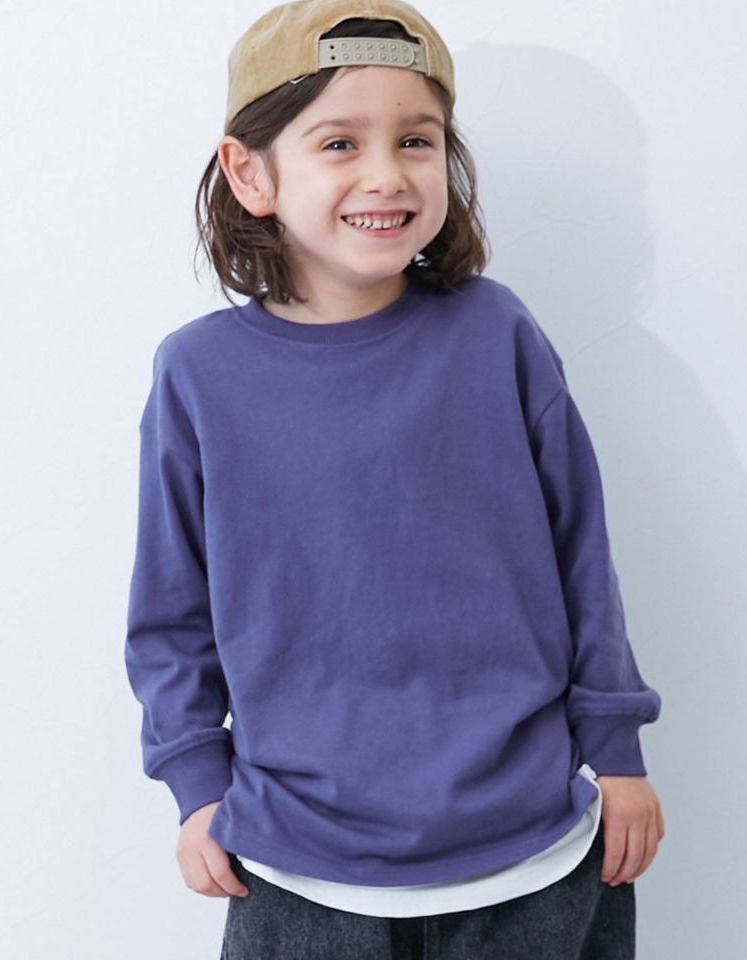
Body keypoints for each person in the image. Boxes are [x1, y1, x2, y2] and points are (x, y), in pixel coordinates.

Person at [123, 0, 666, 956]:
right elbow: (171, 608)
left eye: (417, 139)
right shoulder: (199, 374)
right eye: (340, 142)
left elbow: (582, 554)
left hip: (534, 855)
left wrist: (616, 748)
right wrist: (196, 784)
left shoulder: (497, 334)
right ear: (250, 172)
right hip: (295, 865)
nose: (387, 174)